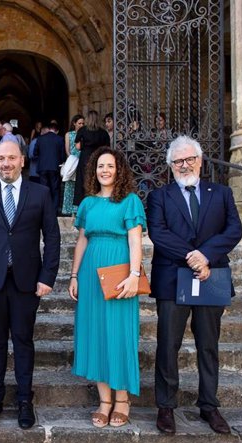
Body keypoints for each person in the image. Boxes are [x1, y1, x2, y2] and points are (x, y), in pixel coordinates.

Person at [147, 136, 242, 435]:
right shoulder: (159, 196)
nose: (184, 165)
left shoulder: (222, 193)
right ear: (170, 165)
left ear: (200, 160)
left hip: (211, 276)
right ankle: (165, 406)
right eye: (177, 161)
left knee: (208, 345)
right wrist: (192, 257)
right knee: (167, 345)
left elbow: (234, 229)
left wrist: (206, 256)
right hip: (172, 278)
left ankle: (209, 406)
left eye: (189, 159)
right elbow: (158, 233)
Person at [0, 141, 60, 430]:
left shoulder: (40, 193)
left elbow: (52, 238)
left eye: (11, 158)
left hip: (26, 282)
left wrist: (47, 277)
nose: (6, 163)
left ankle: (24, 400)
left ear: (22, 160)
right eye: (1, 158)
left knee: (23, 341)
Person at [68, 146, 146, 428]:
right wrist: (74, 275)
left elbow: (136, 240)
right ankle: (104, 401)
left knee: (119, 332)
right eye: (100, 166)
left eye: (110, 166)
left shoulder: (130, 201)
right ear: (94, 170)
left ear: (119, 169)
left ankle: (122, 400)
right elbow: (82, 241)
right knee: (97, 333)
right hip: (90, 273)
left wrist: (135, 275)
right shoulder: (88, 204)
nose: (105, 170)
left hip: (119, 271)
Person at [73, 110, 111, 207]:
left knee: (83, 181)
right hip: (99, 158)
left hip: (85, 158)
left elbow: (77, 146)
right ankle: (98, 203)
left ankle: (84, 204)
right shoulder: (103, 132)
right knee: (97, 181)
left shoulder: (83, 130)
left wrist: (84, 144)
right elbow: (108, 148)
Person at [34, 121, 66, 215]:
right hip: (54, 167)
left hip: (42, 167)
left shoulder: (40, 138)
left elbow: (35, 153)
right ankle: (54, 211)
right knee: (55, 189)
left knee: (43, 189)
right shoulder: (59, 139)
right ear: (57, 131)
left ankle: (44, 210)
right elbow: (62, 155)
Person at [62, 114, 84, 216]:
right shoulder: (69, 134)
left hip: (82, 162)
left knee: (79, 187)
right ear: (74, 123)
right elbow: (67, 150)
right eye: (79, 123)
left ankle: (79, 210)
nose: (81, 125)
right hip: (72, 162)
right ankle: (70, 211)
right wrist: (73, 160)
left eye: (83, 123)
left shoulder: (85, 134)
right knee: (70, 186)